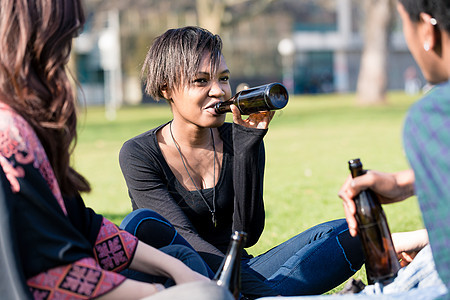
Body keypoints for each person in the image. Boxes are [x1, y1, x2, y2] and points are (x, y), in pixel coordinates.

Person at [118, 26, 365, 299]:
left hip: (244, 269)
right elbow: (185, 240)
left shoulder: (239, 138)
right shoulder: (139, 153)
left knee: (351, 231)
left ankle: (259, 295)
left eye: (223, 79)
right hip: (184, 277)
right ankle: (268, 295)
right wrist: (244, 283)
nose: (219, 91)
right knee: (144, 222)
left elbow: (247, 234)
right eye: (201, 81)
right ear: (166, 88)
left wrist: (248, 147)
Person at [0, 1, 220, 299]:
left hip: (88, 274)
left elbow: (84, 225)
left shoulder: (21, 126)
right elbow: (53, 275)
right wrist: (157, 292)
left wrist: (178, 271)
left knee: (181, 260)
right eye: (64, 44)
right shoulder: (9, 137)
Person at [332, 0, 450, 298]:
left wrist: (432, 243)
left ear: (427, 29)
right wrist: (406, 182)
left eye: (403, 23)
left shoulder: (434, 115)